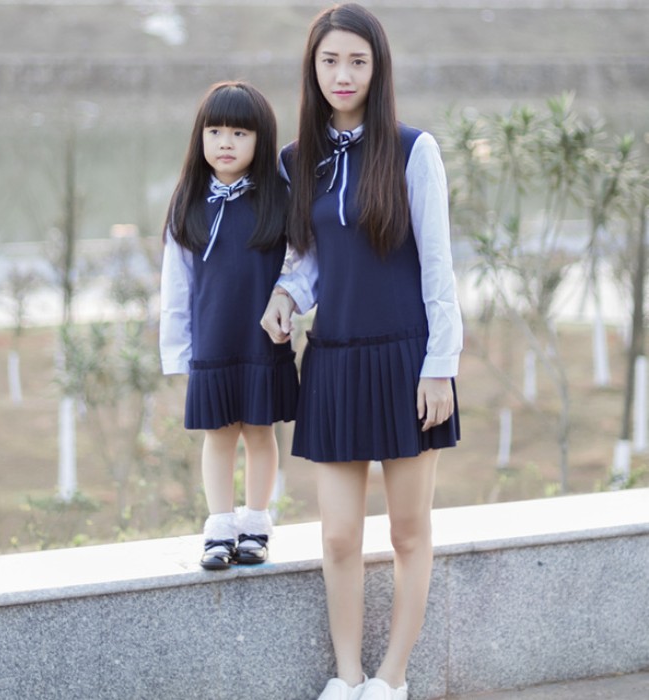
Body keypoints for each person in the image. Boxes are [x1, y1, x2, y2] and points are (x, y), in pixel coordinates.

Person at [260, 4, 462, 699]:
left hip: (407, 362)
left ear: (378, 69)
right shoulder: (296, 161)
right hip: (336, 362)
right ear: (311, 69)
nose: (342, 75)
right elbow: (308, 258)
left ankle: (391, 678)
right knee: (340, 537)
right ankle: (346, 680)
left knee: (408, 535)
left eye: (357, 61)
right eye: (329, 61)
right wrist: (286, 295)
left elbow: (438, 269)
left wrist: (443, 366)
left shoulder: (414, 150)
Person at [160, 81, 299, 571]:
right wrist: (177, 352)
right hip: (213, 340)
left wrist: (289, 300)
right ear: (200, 137)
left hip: (261, 338)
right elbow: (176, 286)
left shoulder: (278, 198)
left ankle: (256, 525)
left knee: (260, 432)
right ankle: (219, 528)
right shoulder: (188, 202)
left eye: (239, 132)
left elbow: (302, 260)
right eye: (215, 130)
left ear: (260, 140)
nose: (225, 142)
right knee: (219, 434)